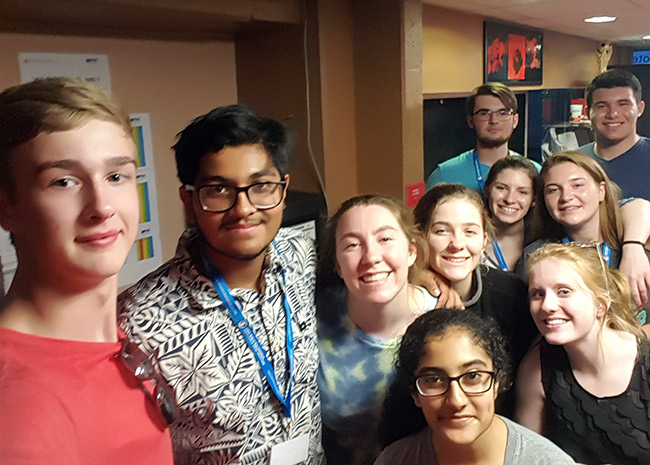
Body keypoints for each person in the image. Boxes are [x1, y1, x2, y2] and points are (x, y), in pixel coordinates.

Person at [118, 105, 323, 464]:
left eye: (261, 186)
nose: (243, 208)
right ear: (189, 200)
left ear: (283, 189)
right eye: (218, 190)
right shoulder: (138, 321)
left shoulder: (302, 256)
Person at [0, 77, 174, 464]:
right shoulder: (21, 416)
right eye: (63, 181)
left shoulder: (105, 339)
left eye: (116, 176)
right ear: (7, 206)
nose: (101, 206)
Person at [316, 194, 437, 465]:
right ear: (337, 264)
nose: (371, 257)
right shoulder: (312, 319)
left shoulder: (445, 324)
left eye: (385, 239)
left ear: (411, 251)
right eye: (352, 244)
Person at [376, 309, 575, 465]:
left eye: (472, 376)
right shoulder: (395, 459)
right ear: (415, 393)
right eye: (434, 380)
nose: (456, 400)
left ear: (497, 382)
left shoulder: (546, 461)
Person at [516, 243, 650, 465]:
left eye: (564, 291)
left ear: (601, 305)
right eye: (537, 294)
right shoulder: (535, 368)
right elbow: (527, 459)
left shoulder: (645, 360)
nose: (547, 305)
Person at [413, 183, 538, 415]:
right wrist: (414, 273)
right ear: (420, 238)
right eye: (441, 231)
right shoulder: (406, 298)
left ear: (484, 240)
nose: (457, 244)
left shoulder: (512, 295)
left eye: (469, 231)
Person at [522, 151, 649, 322]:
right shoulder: (536, 255)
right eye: (553, 190)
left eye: (578, 185)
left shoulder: (637, 245)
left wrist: (633, 247)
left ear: (601, 191)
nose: (566, 197)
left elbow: (640, 206)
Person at [425, 82, 540, 194]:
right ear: (471, 121)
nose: (494, 120)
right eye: (484, 113)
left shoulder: (534, 172)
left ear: (515, 120)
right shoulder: (444, 174)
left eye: (503, 113)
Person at [482, 156, 538, 271]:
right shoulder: (468, 241)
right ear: (487, 189)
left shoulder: (543, 245)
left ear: (534, 199)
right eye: (502, 188)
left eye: (522, 192)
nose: (510, 199)